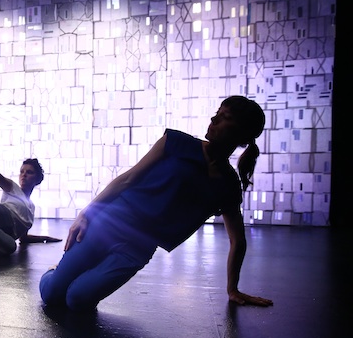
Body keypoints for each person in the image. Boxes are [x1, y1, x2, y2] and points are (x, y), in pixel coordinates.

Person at [40, 96, 274, 312]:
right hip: (106, 225)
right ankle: (56, 272)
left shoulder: (228, 183)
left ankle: (71, 274)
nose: (214, 119)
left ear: (243, 135)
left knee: (77, 300)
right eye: (217, 113)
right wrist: (86, 213)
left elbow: (237, 239)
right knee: (52, 294)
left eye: (226, 118)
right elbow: (128, 178)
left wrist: (232, 289)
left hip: (137, 249)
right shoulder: (175, 142)